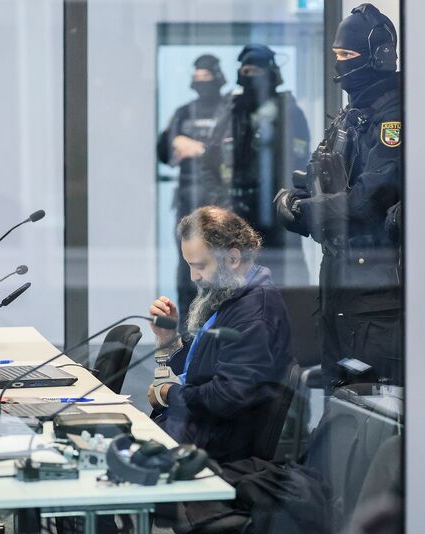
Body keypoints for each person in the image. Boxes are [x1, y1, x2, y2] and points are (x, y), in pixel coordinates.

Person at [274, 4, 403, 389]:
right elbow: (318, 177)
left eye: (347, 54)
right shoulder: (351, 114)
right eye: (337, 54)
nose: (340, 63)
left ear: (378, 57)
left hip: (375, 289)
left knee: (370, 403)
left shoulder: (395, 117)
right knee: (337, 396)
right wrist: (292, 202)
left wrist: (308, 211)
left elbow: (368, 199)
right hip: (337, 279)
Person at [147, 206, 293, 462]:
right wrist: (169, 339)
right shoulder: (233, 295)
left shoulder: (253, 313)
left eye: (200, 266)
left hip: (210, 451)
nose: (193, 276)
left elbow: (227, 396)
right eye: (189, 265)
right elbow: (200, 373)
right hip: (193, 433)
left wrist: (168, 393)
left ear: (233, 258)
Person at [201, 44, 311, 289]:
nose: (251, 77)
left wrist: (283, 203)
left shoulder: (288, 111)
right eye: (246, 71)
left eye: (257, 71)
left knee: (279, 286)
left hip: (274, 216)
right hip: (232, 213)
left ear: (271, 74)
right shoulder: (229, 110)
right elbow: (208, 163)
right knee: (231, 287)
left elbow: (297, 165)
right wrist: (219, 200)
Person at [157, 54, 230, 329]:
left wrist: (200, 149)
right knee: (187, 269)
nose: (201, 84)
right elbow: (164, 152)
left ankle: (220, 329)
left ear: (218, 79)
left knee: (221, 267)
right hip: (187, 202)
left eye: (206, 78)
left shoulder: (229, 110)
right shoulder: (184, 112)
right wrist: (176, 143)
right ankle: (188, 333)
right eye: (197, 78)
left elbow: (236, 154)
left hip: (222, 204)